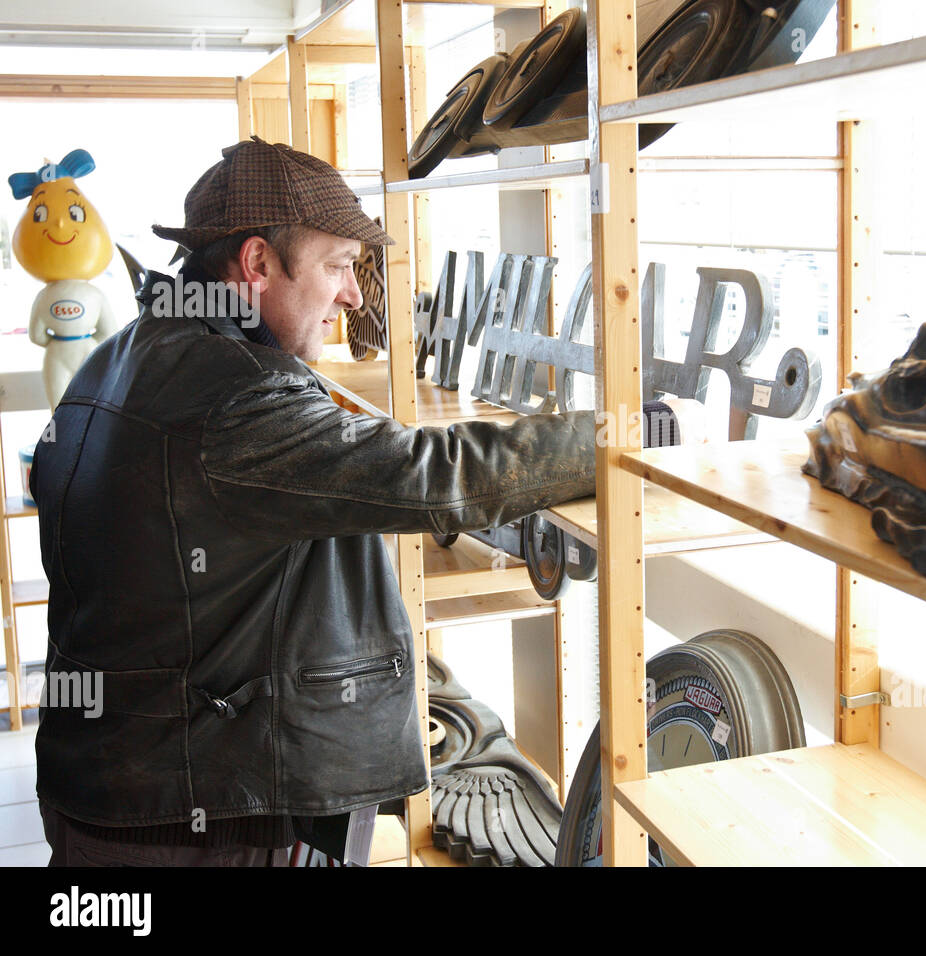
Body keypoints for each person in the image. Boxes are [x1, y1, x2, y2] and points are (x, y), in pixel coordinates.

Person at [30, 137, 596, 866]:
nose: (355, 295)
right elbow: (433, 474)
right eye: (337, 266)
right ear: (258, 264)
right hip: (192, 818)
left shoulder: (129, 352)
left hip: (110, 785)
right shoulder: (236, 397)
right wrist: (610, 437)